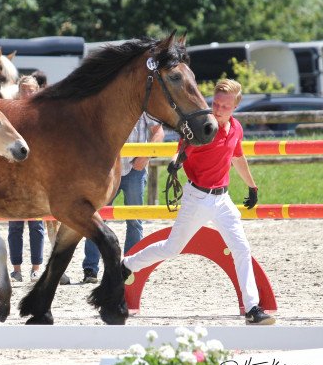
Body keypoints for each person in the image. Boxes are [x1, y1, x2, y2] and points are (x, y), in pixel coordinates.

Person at [123, 79, 275, 325]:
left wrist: (252, 185)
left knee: (242, 249)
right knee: (172, 248)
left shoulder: (236, 128)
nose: (218, 109)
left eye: (225, 106)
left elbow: (238, 157)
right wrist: (175, 163)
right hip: (198, 197)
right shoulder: (203, 129)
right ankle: (127, 264)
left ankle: (252, 308)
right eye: (216, 103)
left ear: (235, 106)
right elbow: (182, 149)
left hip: (223, 199)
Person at [81, 114, 164, 283]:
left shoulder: (145, 106)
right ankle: (90, 268)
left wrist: (146, 155)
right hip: (108, 170)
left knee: (134, 220)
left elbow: (159, 132)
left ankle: (131, 268)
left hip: (135, 169)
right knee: (96, 219)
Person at [8, 75, 46, 282]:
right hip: (15, 174)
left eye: (32, 90)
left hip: (36, 175)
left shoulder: (42, 114)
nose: (28, 93)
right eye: (24, 89)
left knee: (36, 225)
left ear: (37, 90)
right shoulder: (12, 113)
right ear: (19, 91)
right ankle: (16, 268)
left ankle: (36, 267)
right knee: (15, 225)